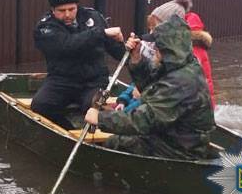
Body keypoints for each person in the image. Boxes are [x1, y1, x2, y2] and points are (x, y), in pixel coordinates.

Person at [85, 14, 215, 160]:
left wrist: (100, 118)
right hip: (174, 136)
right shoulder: (183, 65)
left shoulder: (181, 81)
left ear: (167, 49)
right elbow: (151, 88)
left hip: (180, 150)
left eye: (157, 45)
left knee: (114, 142)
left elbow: (145, 119)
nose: (154, 48)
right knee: (123, 137)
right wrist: (137, 59)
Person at [31, 0, 126, 129]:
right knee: (40, 105)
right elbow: (67, 45)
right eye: (61, 10)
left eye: (71, 9)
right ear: (52, 10)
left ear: (77, 6)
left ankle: (104, 137)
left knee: (93, 106)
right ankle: (66, 130)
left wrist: (125, 46)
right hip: (61, 80)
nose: (67, 14)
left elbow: (115, 50)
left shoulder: (93, 17)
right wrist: (100, 33)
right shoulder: (45, 27)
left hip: (94, 81)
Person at [147, 0, 215, 108]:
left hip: (195, 108)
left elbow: (181, 87)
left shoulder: (191, 51)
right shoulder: (176, 46)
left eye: (155, 27)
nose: (152, 33)